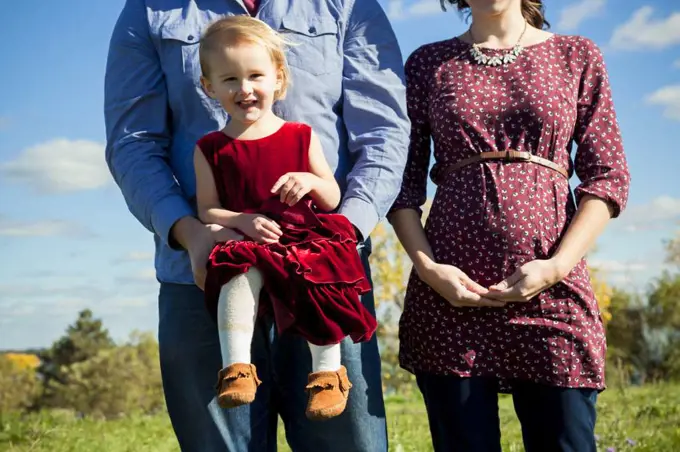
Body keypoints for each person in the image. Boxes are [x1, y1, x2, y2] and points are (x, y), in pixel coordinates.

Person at [104, 0, 409, 450]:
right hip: (203, 277)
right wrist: (189, 233)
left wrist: (343, 233)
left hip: (324, 274)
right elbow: (134, 143)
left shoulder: (346, 5)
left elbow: (383, 132)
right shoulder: (150, 11)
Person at [387, 1, 630, 451]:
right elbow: (401, 188)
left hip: (553, 291)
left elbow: (608, 175)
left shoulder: (577, 55)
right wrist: (428, 269)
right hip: (450, 299)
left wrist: (556, 267)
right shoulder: (427, 63)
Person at [193, 16, 377, 421]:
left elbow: (332, 198)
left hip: (302, 238)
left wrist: (309, 179)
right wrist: (242, 220)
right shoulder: (210, 148)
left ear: (278, 79)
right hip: (252, 241)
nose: (244, 89)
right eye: (229, 80)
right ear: (209, 88)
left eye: (255, 75)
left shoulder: (300, 136)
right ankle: (237, 367)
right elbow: (208, 209)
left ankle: (328, 373)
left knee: (318, 279)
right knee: (238, 272)